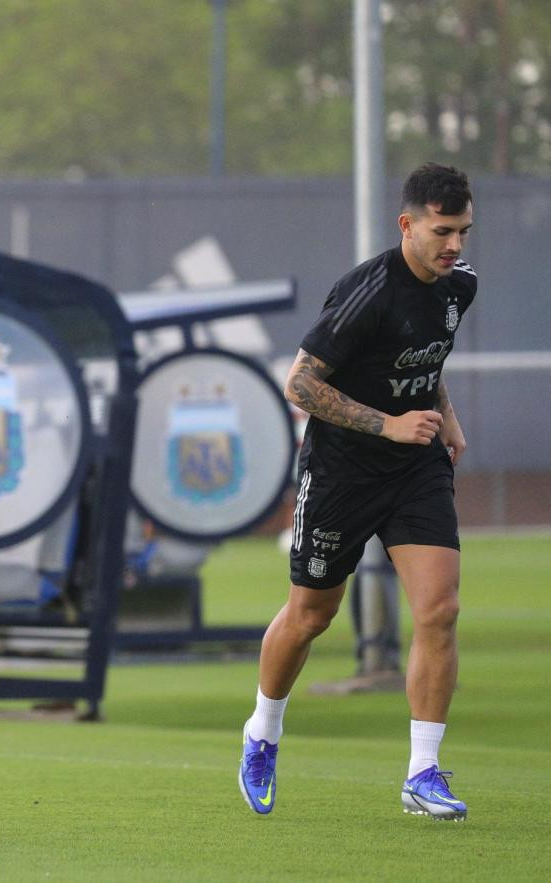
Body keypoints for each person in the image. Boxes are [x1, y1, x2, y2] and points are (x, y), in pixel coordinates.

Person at [238, 163, 475, 821]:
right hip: (342, 472)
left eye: (462, 231)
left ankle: (422, 772)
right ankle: (263, 731)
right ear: (407, 224)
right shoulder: (367, 292)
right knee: (311, 615)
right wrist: (389, 422)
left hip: (414, 470)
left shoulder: (460, 286)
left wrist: (441, 412)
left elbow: (427, 353)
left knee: (440, 608)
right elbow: (301, 383)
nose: (454, 245)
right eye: (441, 230)